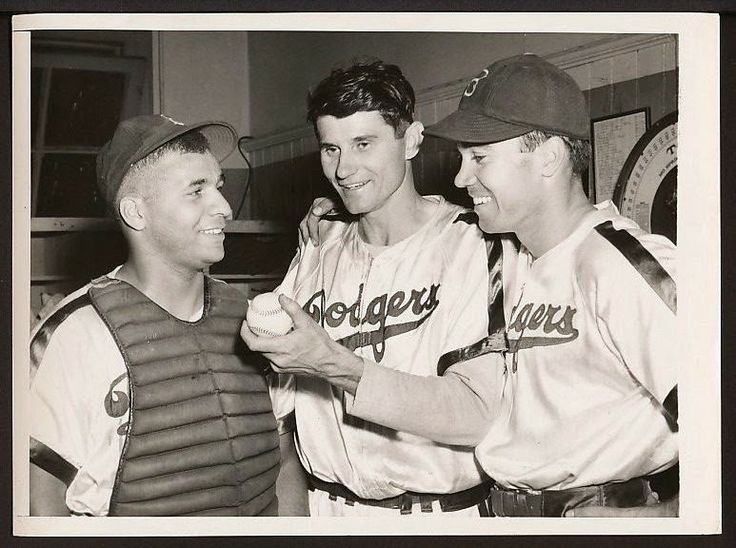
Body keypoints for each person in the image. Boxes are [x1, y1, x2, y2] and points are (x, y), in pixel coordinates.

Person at [245, 54, 679, 517]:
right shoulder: (519, 257)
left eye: (480, 158)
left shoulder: (510, 250)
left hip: (539, 509)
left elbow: (476, 409)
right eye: (331, 149)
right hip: (485, 509)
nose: (458, 177)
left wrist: (666, 516)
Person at [242, 61, 499, 517]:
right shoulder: (318, 247)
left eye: (364, 143)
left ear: (412, 139)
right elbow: (280, 416)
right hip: (326, 508)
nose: (344, 169)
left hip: (436, 514)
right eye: (331, 149)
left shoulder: (475, 246)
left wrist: (336, 366)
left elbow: (476, 415)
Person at [29, 114, 302, 517]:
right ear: (136, 213)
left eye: (218, 187)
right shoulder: (70, 335)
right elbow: (40, 501)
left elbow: (283, 460)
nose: (224, 208)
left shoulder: (249, 318)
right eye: (197, 191)